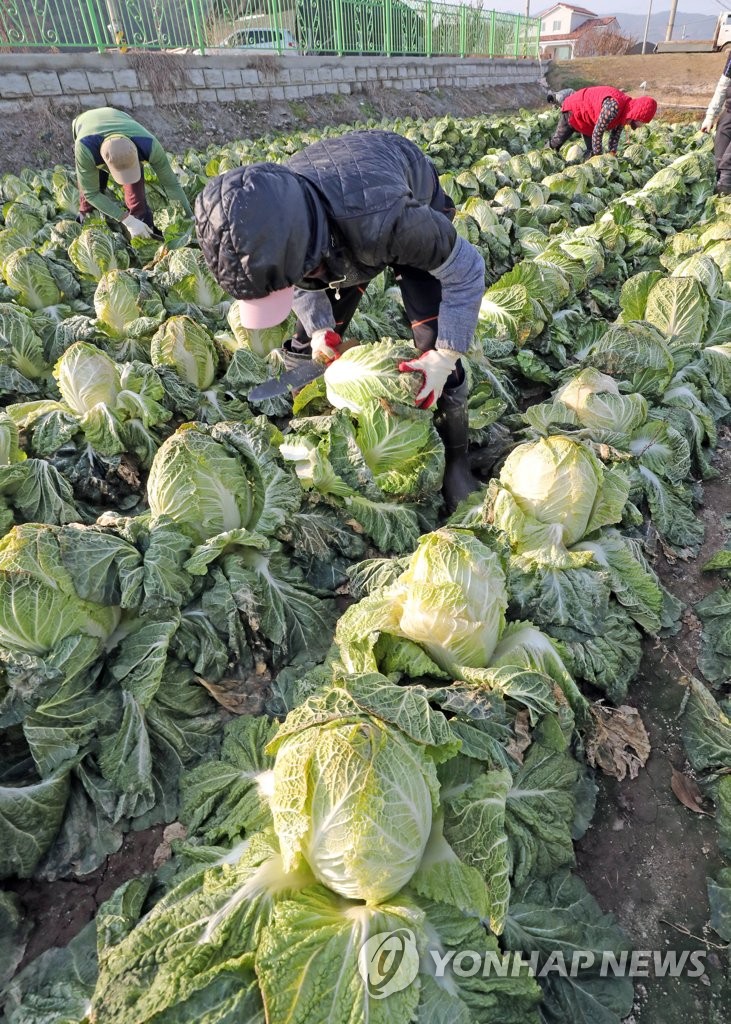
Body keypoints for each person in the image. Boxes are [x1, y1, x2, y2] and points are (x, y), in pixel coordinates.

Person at [195, 129, 487, 511]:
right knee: (308, 342)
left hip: (399, 190)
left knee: (431, 348)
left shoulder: (392, 223)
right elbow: (294, 274)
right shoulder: (275, 214)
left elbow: (466, 269)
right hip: (334, 219)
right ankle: (310, 416)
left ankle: (456, 460)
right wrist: (319, 331)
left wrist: (445, 355)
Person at [72, 107, 193, 239]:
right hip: (84, 126)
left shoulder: (149, 145)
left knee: (136, 198)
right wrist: (126, 219)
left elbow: (171, 184)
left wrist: (190, 217)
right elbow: (91, 193)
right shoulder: (84, 149)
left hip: (121, 119)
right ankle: (84, 214)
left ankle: (144, 232)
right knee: (91, 187)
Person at [548, 86, 657, 159]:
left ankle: (586, 168)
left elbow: (615, 135)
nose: (641, 126)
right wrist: (599, 158)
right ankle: (545, 154)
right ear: (637, 115)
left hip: (589, 120)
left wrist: (612, 153)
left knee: (591, 149)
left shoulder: (625, 112)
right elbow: (597, 132)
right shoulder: (614, 106)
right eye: (642, 122)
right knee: (558, 141)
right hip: (575, 109)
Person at [702, 53, 731, 195]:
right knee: (719, 158)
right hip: (730, 111)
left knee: (728, 164)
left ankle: (723, 203)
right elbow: (723, 85)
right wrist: (710, 116)